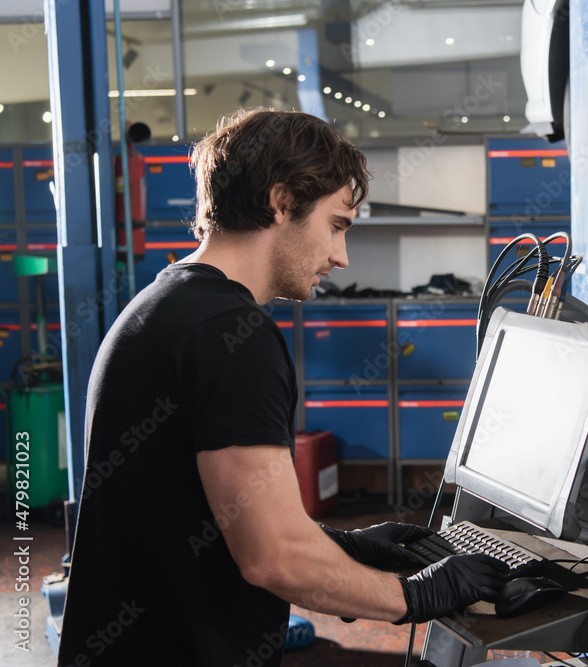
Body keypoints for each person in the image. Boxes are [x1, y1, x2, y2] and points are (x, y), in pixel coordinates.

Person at [57, 108, 508, 667]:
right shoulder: (232, 337)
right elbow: (272, 560)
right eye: (337, 224)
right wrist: (416, 595)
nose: (341, 257)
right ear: (282, 201)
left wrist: (348, 546)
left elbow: (210, 517)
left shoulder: (163, 307)